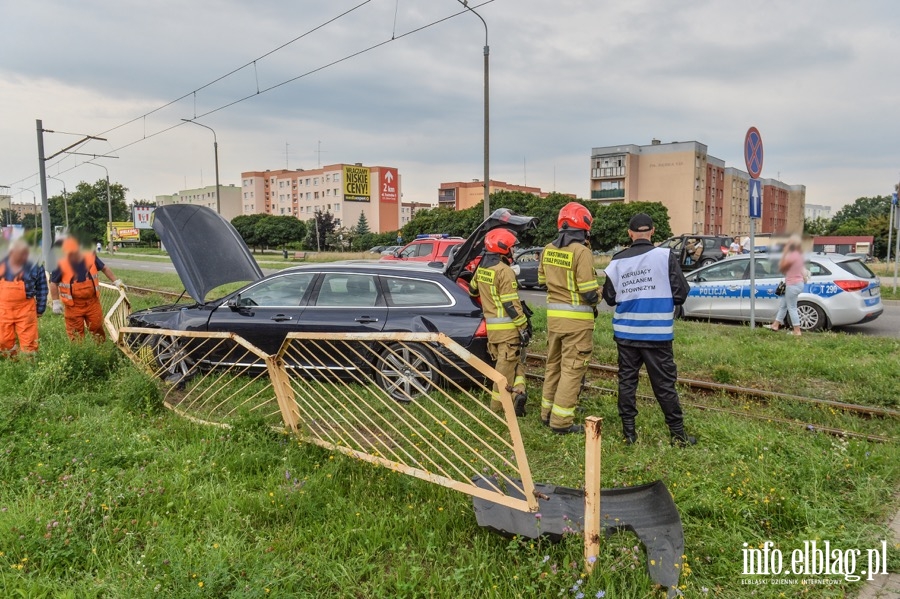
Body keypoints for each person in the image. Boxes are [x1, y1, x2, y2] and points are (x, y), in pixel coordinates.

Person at [602, 213, 696, 446]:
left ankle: (629, 434)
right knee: (664, 384)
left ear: (630, 234)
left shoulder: (617, 260)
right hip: (657, 334)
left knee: (627, 381)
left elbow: (610, 298)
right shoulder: (665, 256)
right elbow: (681, 293)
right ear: (653, 231)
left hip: (626, 333)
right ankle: (678, 435)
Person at [537, 202, 599, 435]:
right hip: (577, 323)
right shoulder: (582, 252)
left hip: (555, 320)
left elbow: (542, 282)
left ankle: (547, 413)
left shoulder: (547, 249)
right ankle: (561, 422)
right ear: (584, 227)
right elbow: (590, 292)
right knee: (572, 369)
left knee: (553, 366)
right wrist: (601, 293)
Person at [469, 228, 529, 417]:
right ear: (503, 249)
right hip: (508, 331)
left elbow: (472, 291)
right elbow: (511, 304)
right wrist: (523, 327)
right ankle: (498, 407)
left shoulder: (482, 270)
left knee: (513, 363)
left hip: (493, 332)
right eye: (512, 248)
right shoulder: (505, 271)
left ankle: (519, 393)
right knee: (503, 371)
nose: (513, 251)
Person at [50, 238, 124, 341]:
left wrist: (116, 281)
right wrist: (56, 302)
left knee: (97, 328)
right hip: (73, 305)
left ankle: (100, 351)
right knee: (75, 333)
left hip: (92, 302)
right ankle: (79, 354)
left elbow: (104, 268)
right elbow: (53, 282)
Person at [0, 240, 48, 357]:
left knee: (29, 342)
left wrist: (40, 308)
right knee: (4, 340)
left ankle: (29, 366)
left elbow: (42, 286)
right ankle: (12, 364)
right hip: (3, 309)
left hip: (26, 309)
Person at [769, 235, 805, 336]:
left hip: (793, 284)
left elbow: (782, 267)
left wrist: (784, 253)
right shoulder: (799, 255)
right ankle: (775, 325)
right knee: (783, 305)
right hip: (797, 283)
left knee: (792, 307)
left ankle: (797, 331)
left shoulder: (792, 256)